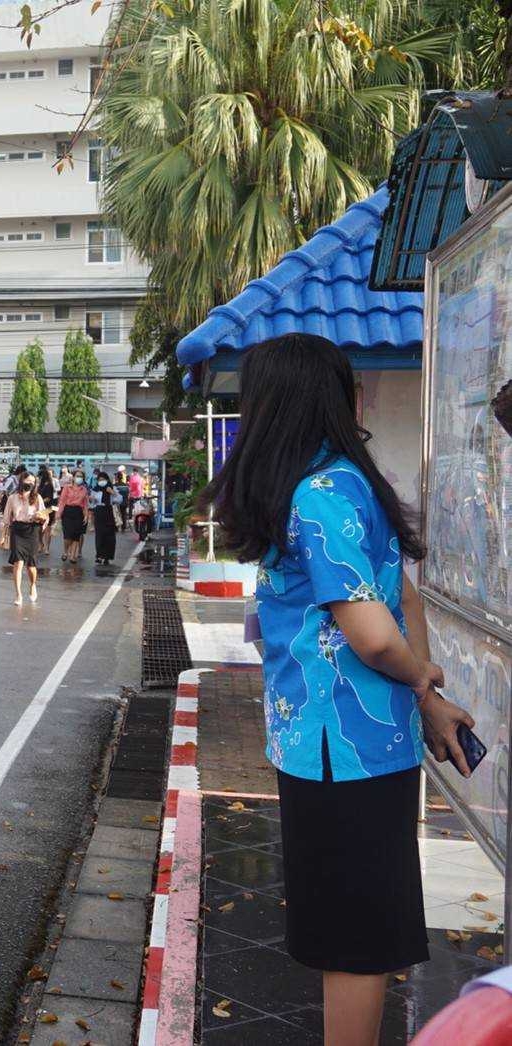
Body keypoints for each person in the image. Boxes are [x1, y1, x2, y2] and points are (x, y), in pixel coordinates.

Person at [202, 333, 475, 1046]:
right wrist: (423, 690)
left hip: (335, 749)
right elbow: (397, 600)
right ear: (340, 400)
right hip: (356, 745)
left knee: (353, 939)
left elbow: (373, 633)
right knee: (361, 930)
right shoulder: (345, 483)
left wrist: (419, 680)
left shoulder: (310, 491)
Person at [2, 473, 47, 605]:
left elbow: (45, 516)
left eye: (32, 482)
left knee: (31, 565)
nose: (30, 483)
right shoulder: (12, 498)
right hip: (17, 530)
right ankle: (18, 594)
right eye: (28, 481)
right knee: (18, 562)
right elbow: (6, 519)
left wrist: (40, 517)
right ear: (22, 481)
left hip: (32, 530)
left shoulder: (37, 497)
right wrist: (3, 537)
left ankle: (33, 585)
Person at [58, 469, 91, 563]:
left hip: (78, 512)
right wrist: (59, 513)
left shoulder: (84, 489)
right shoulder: (67, 487)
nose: (79, 478)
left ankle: (73, 556)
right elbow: (62, 501)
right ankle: (66, 551)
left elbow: (85, 504)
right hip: (67, 511)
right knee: (68, 535)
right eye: (77, 476)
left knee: (76, 535)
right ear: (73, 477)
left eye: (81, 476)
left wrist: (86, 515)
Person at [90, 470, 120, 566]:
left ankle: (107, 556)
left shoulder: (112, 488)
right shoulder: (95, 489)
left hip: (109, 512)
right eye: (99, 480)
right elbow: (91, 503)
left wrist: (112, 493)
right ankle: (99, 555)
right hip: (99, 512)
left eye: (103, 479)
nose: (101, 481)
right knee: (99, 535)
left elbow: (119, 499)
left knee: (109, 536)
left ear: (107, 480)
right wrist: (92, 500)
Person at [36, 465, 58, 555]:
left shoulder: (49, 485)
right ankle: (41, 544)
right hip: (40, 509)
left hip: (48, 508)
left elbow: (48, 498)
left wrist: (39, 501)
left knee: (47, 528)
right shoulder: (39, 485)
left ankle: (46, 548)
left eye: (40, 477)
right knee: (39, 529)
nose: (39, 479)